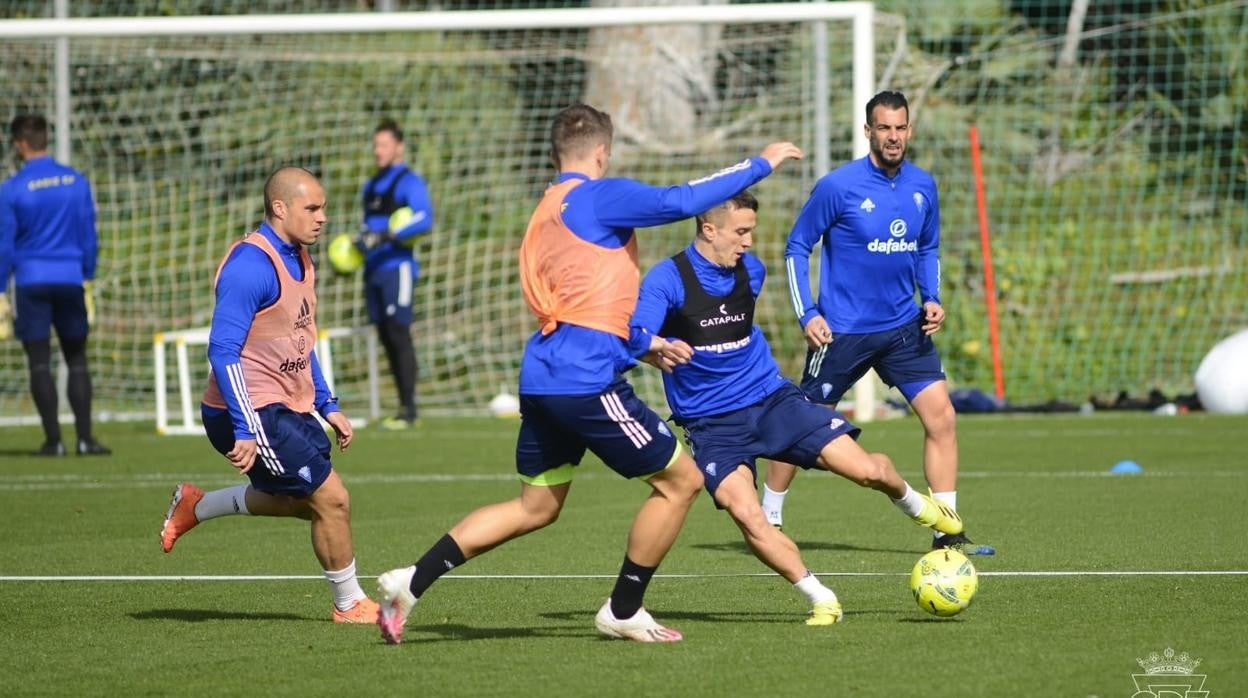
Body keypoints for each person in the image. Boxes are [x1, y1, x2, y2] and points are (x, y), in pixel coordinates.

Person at [374, 103, 802, 645]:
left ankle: (412, 582)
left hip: (544, 375)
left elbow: (584, 299)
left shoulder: (548, 206)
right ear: (602, 152)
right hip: (585, 379)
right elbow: (680, 201)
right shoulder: (597, 195)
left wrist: (642, 349)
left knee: (536, 506)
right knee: (682, 482)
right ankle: (623, 609)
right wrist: (759, 163)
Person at [631, 190, 963, 625]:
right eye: (741, 231)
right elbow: (634, 334)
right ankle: (820, 596)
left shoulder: (751, 270)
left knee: (868, 471)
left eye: (752, 230)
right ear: (708, 230)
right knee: (748, 517)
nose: (749, 241)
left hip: (772, 401)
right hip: (711, 425)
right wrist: (657, 345)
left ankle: (915, 504)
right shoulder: (666, 280)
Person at [771, 90, 993, 555]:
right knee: (800, 423)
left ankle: (946, 532)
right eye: (884, 128)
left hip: (902, 329)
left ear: (910, 130)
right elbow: (796, 247)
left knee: (943, 417)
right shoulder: (838, 186)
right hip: (842, 331)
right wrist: (807, 313)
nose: (893, 137)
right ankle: (768, 517)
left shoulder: (922, 185)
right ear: (868, 131)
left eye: (900, 127)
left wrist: (931, 297)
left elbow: (927, 247)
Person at [159, 167, 379, 624]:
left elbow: (299, 337)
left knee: (307, 502)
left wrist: (327, 403)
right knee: (332, 500)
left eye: (324, 208)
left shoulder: (300, 256)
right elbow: (222, 351)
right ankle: (349, 603)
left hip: (285, 406)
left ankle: (196, 506)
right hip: (249, 411)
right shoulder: (249, 267)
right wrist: (244, 429)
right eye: (312, 208)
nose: (323, 218)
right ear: (280, 208)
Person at [0, 114, 109, 457]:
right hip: (69, 279)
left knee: (38, 361)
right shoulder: (76, 182)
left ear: (20, 144)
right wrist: (87, 275)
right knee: (76, 360)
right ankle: (85, 439)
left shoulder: (12, 188)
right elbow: (88, 235)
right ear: (46, 138)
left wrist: (0, 286)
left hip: (31, 281)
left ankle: (53, 441)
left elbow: (5, 244)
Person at [357, 120, 434, 429]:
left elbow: (424, 218)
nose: (378, 151)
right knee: (385, 335)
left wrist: (386, 236)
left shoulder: (409, 182)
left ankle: (409, 408)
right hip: (373, 269)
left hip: (397, 268)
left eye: (384, 145)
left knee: (399, 332)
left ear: (399, 147)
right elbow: (367, 227)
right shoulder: (370, 185)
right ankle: (401, 405)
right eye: (376, 145)